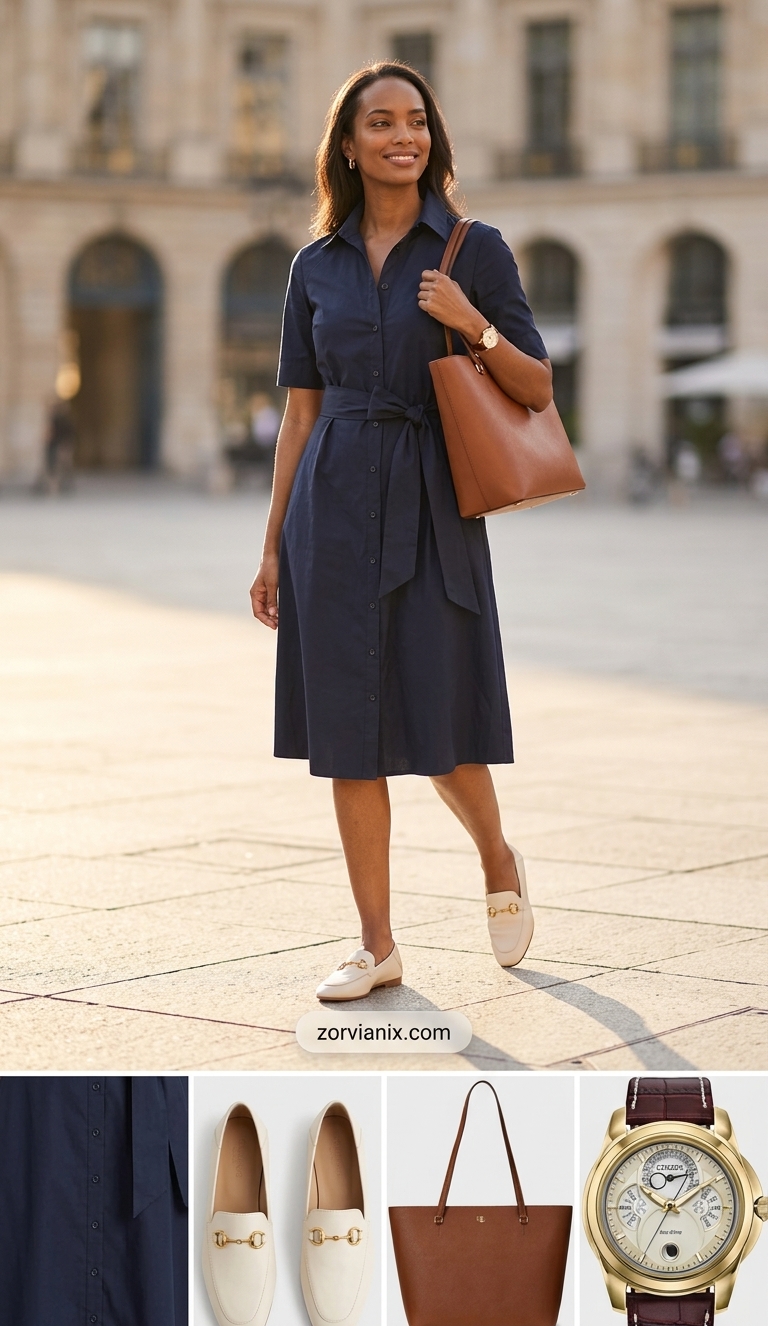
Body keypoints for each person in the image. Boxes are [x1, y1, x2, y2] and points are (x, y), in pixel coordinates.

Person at [250, 62, 553, 1002]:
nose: (402, 136)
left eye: (416, 121)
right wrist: (271, 548)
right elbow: (300, 416)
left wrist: (473, 325)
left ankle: (497, 857)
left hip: (430, 501)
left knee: (439, 716)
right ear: (348, 143)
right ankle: (376, 943)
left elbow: (538, 388)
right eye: (380, 122)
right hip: (331, 505)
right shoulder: (315, 266)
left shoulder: (477, 251)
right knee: (348, 731)